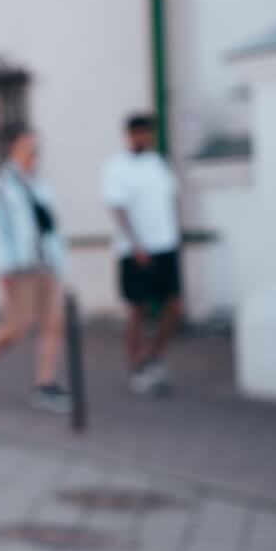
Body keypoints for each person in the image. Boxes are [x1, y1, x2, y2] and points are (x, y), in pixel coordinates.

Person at [0, 125, 71, 413]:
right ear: (13, 148)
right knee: (17, 326)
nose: (34, 152)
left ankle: (44, 384)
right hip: (18, 268)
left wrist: (58, 262)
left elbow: (50, 227)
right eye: (28, 146)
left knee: (53, 323)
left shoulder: (39, 184)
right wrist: (4, 269)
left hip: (45, 264)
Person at [101, 113, 182, 396]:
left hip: (165, 246)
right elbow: (118, 208)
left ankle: (154, 358)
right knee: (138, 309)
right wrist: (136, 245)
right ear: (129, 135)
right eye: (139, 133)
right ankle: (134, 365)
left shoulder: (160, 164)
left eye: (147, 132)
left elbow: (171, 202)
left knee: (174, 305)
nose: (144, 137)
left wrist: (174, 237)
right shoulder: (117, 167)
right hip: (134, 250)